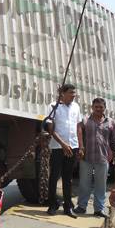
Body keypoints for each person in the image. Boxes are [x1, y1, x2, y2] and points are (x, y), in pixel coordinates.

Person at [74, 98, 115, 218]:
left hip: (102, 158)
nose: (98, 109)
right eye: (96, 107)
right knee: (84, 183)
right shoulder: (85, 120)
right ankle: (81, 206)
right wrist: (81, 148)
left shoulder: (110, 122)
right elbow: (78, 136)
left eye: (101, 107)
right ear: (92, 107)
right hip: (86, 158)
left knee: (101, 185)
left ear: (105, 108)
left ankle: (99, 209)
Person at [46, 83, 83, 218]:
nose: (73, 96)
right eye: (71, 93)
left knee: (68, 178)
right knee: (54, 176)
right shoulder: (53, 106)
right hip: (57, 147)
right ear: (62, 93)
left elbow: (78, 127)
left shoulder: (76, 107)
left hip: (72, 147)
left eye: (74, 93)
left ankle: (68, 207)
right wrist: (62, 144)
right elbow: (51, 129)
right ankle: (52, 205)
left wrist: (80, 146)